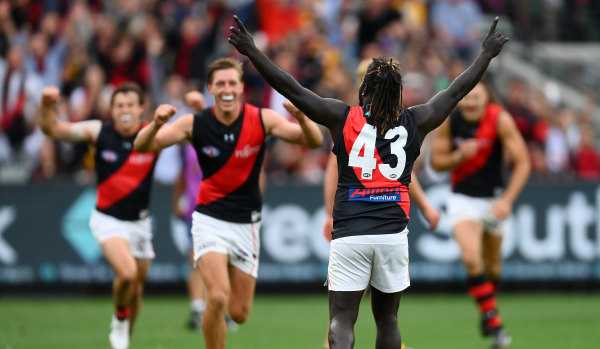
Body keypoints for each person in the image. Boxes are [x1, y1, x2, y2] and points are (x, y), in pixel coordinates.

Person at [228, 15, 508, 349]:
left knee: (341, 319)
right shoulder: (418, 120)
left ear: (365, 89)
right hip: (392, 234)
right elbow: (458, 89)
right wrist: (485, 55)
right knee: (387, 320)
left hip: (350, 234)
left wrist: (253, 52)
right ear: (398, 92)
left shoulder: (341, 116)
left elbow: (291, 88)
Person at [133, 57, 324, 349]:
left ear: (241, 88)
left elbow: (311, 141)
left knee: (239, 312)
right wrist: (156, 123)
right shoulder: (194, 123)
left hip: (246, 224)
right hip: (209, 219)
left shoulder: (261, 119)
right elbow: (143, 145)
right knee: (218, 297)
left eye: (232, 83)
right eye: (220, 83)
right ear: (210, 88)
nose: (226, 89)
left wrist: (301, 117)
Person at [39, 83, 158, 349]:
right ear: (111, 109)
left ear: (141, 108)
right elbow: (53, 129)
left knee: (136, 290)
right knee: (126, 274)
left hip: (141, 223)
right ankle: (119, 315)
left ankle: (124, 337)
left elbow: (195, 134)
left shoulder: (154, 133)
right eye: (119, 105)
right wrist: (46, 104)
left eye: (130, 105)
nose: (125, 110)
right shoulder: (98, 131)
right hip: (108, 219)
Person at [430, 80, 530, 348]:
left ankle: (487, 309)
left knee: (493, 268)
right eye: (468, 97)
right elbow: (437, 163)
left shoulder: (500, 120)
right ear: (460, 98)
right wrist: (458, 157)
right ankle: (495, 323)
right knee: (472, 258)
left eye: (477, 97)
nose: (471, 102)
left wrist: (507, 200)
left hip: (494, 199)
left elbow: (523, 163)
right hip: (462, 199)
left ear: (487, 99)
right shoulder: (451, 121)